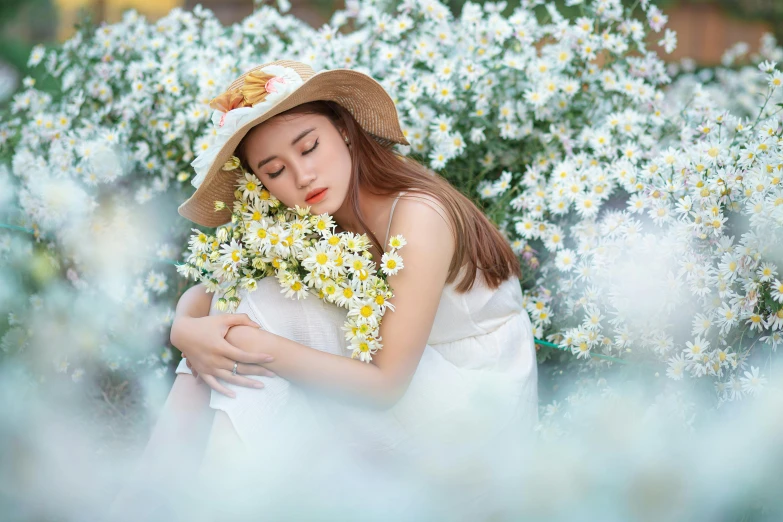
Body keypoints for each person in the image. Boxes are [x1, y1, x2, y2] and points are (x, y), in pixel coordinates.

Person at [123, 60, 538, 520]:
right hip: (411, 390)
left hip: (473, 411)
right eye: (275, 170)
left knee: (252, 321)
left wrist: (257, 345)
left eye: (309, 147)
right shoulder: (311, 212)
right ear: (261, 182)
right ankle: (176, 499)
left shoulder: (419, 215)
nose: (301, 176)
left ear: (342, 128)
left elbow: (386, 386)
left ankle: (165, 499)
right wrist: (185, 330)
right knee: (244, 317)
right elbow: (211, 293)